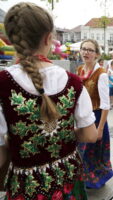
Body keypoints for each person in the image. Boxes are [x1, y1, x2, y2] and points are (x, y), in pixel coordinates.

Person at [0, 2, 98, 199]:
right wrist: (64, 133)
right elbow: (90, 135)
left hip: (27, 187)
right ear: (48, 38)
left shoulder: (3, 83)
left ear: (11, 40)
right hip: (68, 180)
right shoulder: (74, 82)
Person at [76, 39, 113, 189]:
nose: (86, 52)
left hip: (97, 117)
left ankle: (95, 180)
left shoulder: (101, 74)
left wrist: (100, 129)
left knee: (93, 152)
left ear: (97, 54)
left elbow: (106, 105)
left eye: (90, 50)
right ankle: (83, 179)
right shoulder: (80, 70)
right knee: (82, 151)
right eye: (83, 48)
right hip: (83, 116)